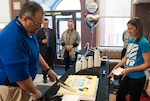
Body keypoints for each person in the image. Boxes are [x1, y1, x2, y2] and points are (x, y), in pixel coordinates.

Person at [0, 1, 57, 101]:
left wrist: (48, 69)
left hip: (24, 84)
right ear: (25, 19)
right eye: (37, 24)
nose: (40, 28)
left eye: (41, 24)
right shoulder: (13, 38)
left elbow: (35, 53)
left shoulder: (29, 30)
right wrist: (35, 92)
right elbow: (20, 76)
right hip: (12, 89)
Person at [107, 17, 150, 101]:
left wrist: (129, 69)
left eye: (131, 29)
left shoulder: (143, 42)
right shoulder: (131, 40)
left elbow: (147, 64)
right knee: (119, 96)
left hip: (138, 78)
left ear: (137, 28)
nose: (128, 31)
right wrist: (115, 68)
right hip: (128, 75)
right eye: (128, 29)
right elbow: (125, 57)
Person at [37, 18, 56, 83]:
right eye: (45, 23)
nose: (46, 24)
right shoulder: (39, 31)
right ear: (43, 23)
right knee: (44, 65)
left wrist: (55, 50)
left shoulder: (51, 31)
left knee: (51, 64)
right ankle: (44, 77)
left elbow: (54, 41)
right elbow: (36, 40)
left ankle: (51, 77)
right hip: (43, 50)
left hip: (51, 49)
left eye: (47, 23)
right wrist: (41, 41)